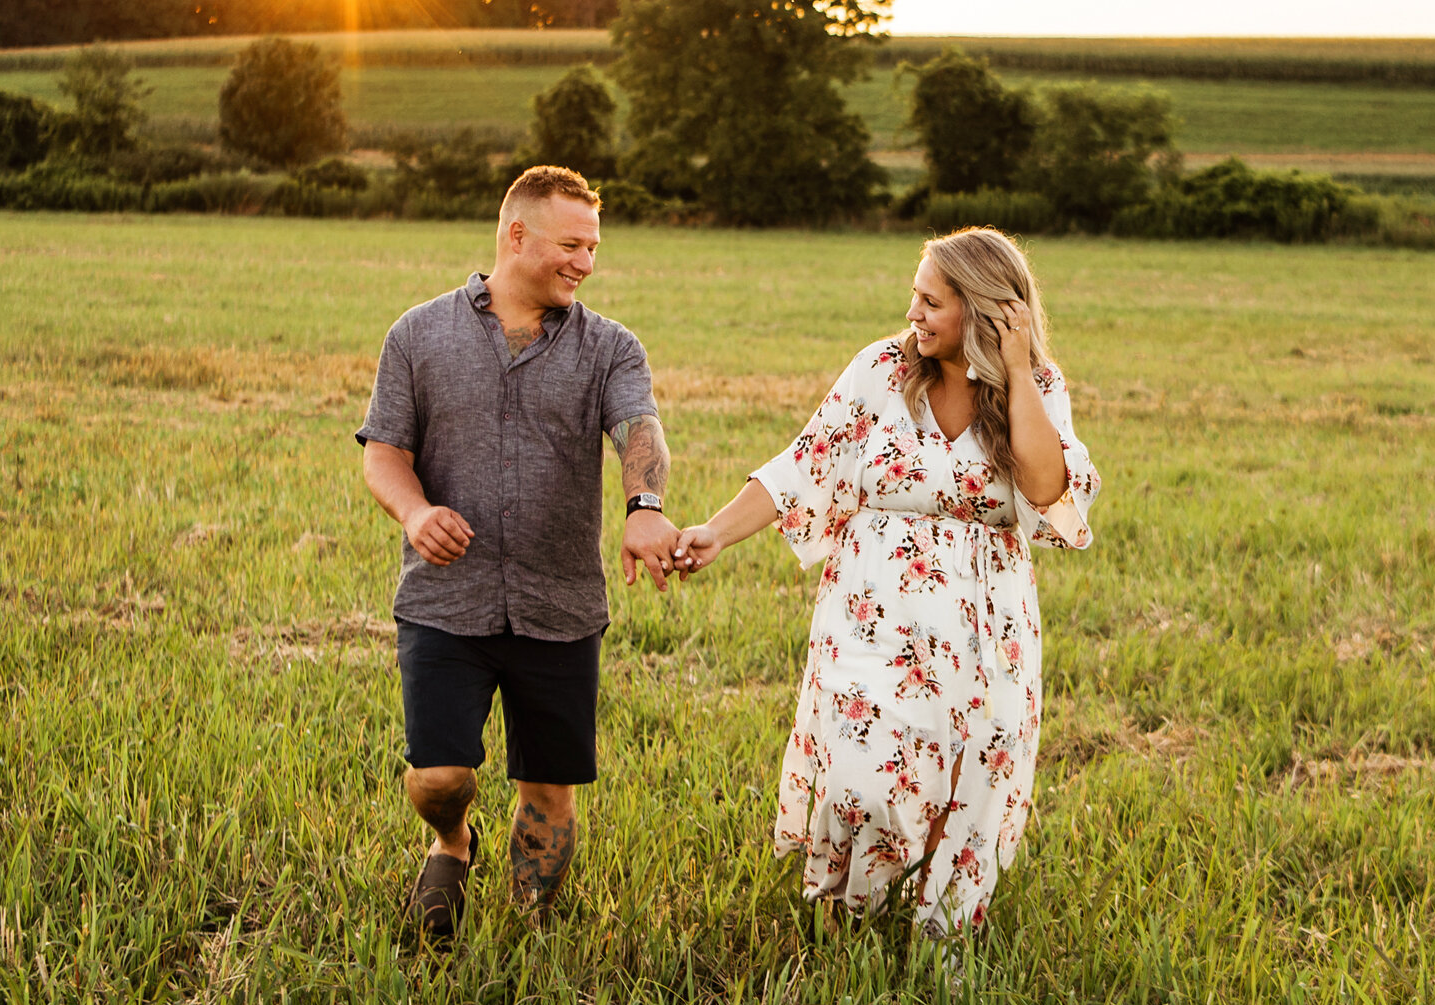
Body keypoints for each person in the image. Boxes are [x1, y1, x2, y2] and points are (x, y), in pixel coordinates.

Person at [674, 227, 1100, 937]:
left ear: (985, 310)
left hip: (986, 629)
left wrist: (1019, 370)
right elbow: (801, 464)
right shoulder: (881, 370)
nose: (914, 314)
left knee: (967, 782)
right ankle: (854, 915)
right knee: (863, 777)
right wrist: (714, 533)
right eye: (915, 297)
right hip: (875, 614)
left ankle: (940, 933)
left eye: (931, 302)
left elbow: (1050, 486)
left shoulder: (1038, 387)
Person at [356, 165, 683, 943]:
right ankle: (451, 840)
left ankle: (529, 930)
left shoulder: (611, 348)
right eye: (571, 244)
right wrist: (414, 511)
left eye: (594, 247)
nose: (586, 262)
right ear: (517, 235)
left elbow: (640, 429)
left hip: (559, 604)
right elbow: (383, 453)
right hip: (445, 600)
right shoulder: (418, 334)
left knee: (550, 797)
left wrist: (645, 507)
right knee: (439, 775)